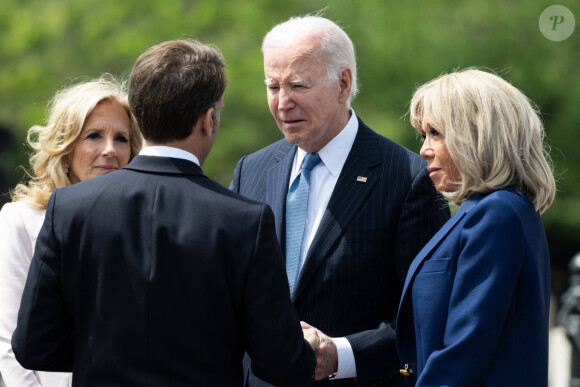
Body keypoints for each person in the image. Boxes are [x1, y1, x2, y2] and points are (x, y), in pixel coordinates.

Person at [11, 39, 317, 386]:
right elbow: (283, 364)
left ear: (138, 116)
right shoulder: (246, 220)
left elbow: (33, 346)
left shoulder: (69, 208)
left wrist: (103, 353)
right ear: (208, 120)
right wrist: (304, 346)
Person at [230, 15, 450, 386]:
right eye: (272, 86)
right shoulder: (251, 170)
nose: (283, 103)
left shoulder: (408, 178)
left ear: (343, 84)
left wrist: (340, 355)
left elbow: (425, 316)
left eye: (298, 85)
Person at [395, 69, 557, 386]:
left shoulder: (498, 213)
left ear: (479, 134)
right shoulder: (497, 210)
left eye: (436, 133)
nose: (424, 150)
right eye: (423, 135)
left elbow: (463, 351)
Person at [0, 75, 142, 387]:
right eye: (93, 136)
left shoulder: (144, 223)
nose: (110, 150)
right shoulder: (20, 220)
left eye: (121, 138)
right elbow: (9, 344)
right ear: (66, 145)